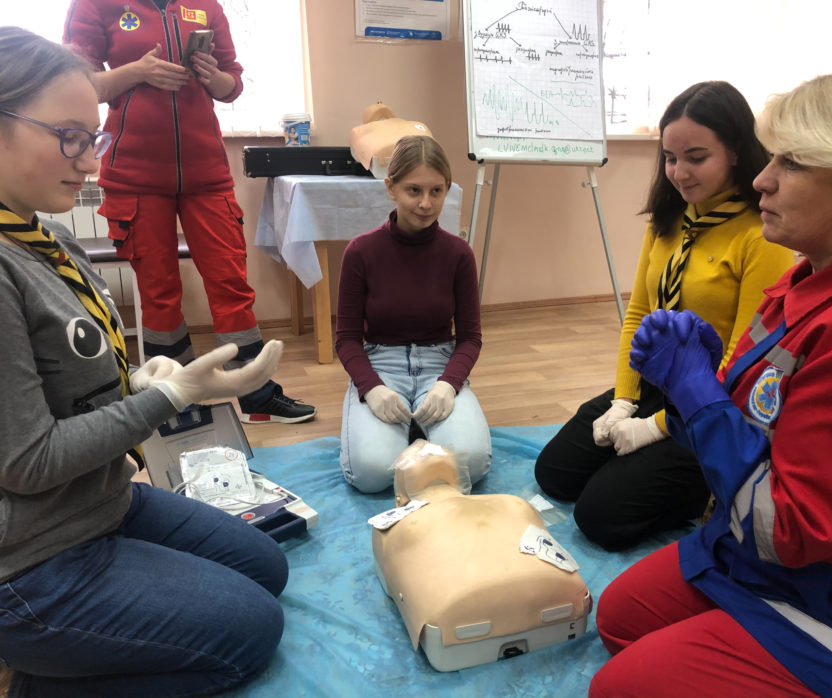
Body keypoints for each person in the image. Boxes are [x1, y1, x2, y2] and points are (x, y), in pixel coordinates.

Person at [590, 68, 832, 698]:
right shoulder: (821, 270)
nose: (762, 179)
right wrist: (700, 387)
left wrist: (698, 394)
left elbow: (788, 529)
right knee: (620, 617)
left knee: (622, 687)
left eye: (791, 163)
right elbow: (765, 419)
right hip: (775, 548)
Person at [0, 27, 290, 697]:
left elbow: (62, 383)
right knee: (251, 634)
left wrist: (137, 380)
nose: (89, 160)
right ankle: (39, 676)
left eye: (93, 138)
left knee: (265, 567)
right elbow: (28, 462)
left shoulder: (47, 237)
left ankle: (82, 642)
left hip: (99, 501)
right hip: (32, 559)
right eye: (68, 137)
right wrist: (167, 397)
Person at [534, 81, 796, 550]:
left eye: (697, 157)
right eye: (671, 158)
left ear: (736, 151)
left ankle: (705, 489)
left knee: (600, 517)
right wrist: (624, 401)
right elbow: (638, 314)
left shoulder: (760, 235)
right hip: (659, 384)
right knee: (555, 473)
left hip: (714, 402)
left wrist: (654, 428)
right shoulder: (671, 220)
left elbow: (745, 358)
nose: (679, 173)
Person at [63, 0, 315, 424]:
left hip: (207, 175)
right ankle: (173, 400)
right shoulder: (95, 5)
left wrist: (212, 75)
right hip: (134, 177)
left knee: (231, 283)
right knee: (159, 294)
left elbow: (231, 85)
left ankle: (255, 393)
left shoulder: (206, 6)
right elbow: (77, 86)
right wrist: (138, 72)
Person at [335, 135, 491, 493]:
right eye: (414, 190)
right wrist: (372, 388)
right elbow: (346, 340)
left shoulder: (459, 254)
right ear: (391, 187)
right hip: (381, 367)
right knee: (371, 473)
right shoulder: (360, 252)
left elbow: (470, 338)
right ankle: (412, 432)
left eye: (436, 191)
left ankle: (415, 430)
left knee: (472, 463)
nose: (425, 203)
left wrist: (448, 385)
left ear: (447, 188)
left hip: (439, 366)